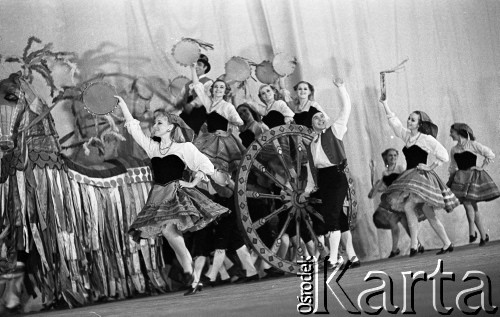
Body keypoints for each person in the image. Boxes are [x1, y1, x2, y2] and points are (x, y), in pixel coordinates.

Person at [115, 95, 229, 294]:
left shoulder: (183, 148)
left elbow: (204, 166)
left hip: (175, 193)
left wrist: (197, 180)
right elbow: (133, 128)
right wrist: (123, 104)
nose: (155, 126)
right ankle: (192, 278)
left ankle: (189, 274)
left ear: (170, 127)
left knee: (169, 232)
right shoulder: (152, 147)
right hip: (158, 194)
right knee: (169, 233)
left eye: (160, 123)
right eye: (155, 122)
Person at [379, 99, 460, 256]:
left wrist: (430, 166)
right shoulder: (408, 136)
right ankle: (443, 243)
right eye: (409, 118)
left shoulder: (425, 138)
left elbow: (443, 154)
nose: (409, 121)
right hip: (410, 177)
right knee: (423, 211)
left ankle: (415, 245)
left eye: (413, 119)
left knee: (412, 208)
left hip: (421, 178)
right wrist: (385, 104)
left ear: (419, 124)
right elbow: (394, 124)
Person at [300, 77, 360, 269]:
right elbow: (311, 173)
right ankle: (352, 257)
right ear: (312, 125)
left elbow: (346, 108)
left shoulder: (335, 131)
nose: (320, 118)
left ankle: (333, 259)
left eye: (322, 116)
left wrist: (341, 87)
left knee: (332, 217)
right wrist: (307, 191)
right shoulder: (311, 145)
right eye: (316, 118)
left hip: (337, 176)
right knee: (339, 218)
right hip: (324, 180)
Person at [190, 64, 245, 180]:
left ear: (225, 92)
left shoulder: (227, 106)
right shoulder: (209, 103)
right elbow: (197, 87)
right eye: (216, 87)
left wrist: (227, 132)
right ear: (212, 90)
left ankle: (226, 184)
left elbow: (239, 122)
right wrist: (192, 69)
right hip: (208, 138)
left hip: (223, 141)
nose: (218, 89)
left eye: (221, 87)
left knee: (220, 171)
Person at [448, 123, 499, 246]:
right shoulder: (454, 149)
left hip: (472, 177)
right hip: (461, 178)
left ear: (459, 132)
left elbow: (490, 154)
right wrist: (452, 178)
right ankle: (483, 235)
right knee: (471, 206)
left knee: (468, 203)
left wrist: (482, 167)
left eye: (452, 132)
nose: (450, 134)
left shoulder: (473, 145)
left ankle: (472, 231)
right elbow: (453, 165)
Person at [369, 149, 423, 257]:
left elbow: (406, 181)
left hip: (400, 201)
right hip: (390, 203)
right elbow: (377, 188)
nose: (393, 158)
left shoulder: (400, 168)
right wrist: (372, 171)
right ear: (386, 158)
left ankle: (412, 246)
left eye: (394, 155)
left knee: (406, 226)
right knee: (397, 226)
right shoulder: (385, 172)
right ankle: (398, 249)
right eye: (390, 156)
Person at [180, 54, 213, 135]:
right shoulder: (187, 84)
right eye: (195, 64)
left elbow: (204, 97)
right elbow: (180, 98)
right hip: (186, 112)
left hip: (199, 112)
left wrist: (191, 104)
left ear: (205, 67)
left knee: (189, 133)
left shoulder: (209, 82)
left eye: (199, 64)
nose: (196, 66)